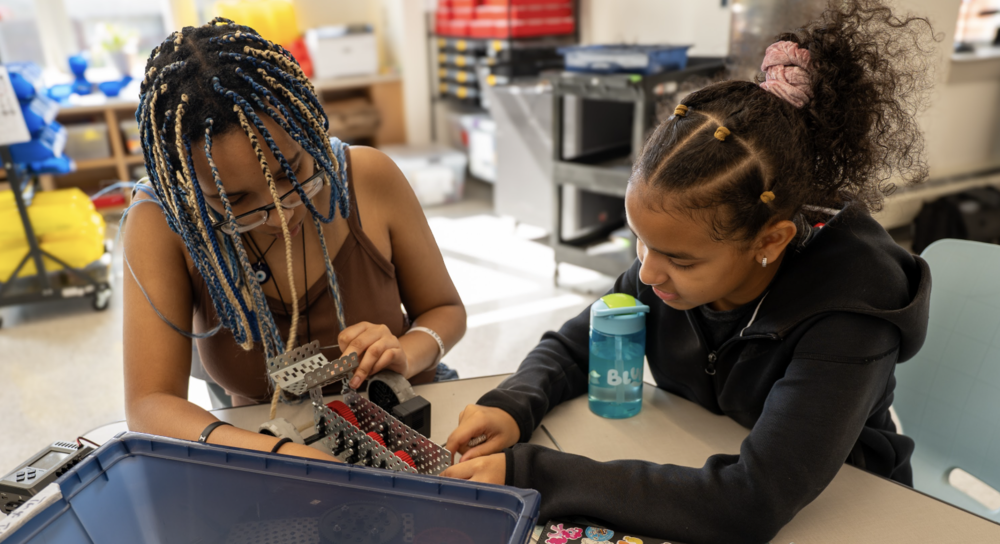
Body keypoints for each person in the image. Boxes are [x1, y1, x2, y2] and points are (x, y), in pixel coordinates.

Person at [442, 1, 937, 541]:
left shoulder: (850, 313)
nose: (647, 272)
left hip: (852, 510)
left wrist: (531, 473)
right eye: (642, 242)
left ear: (770, 241)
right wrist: (515, 404)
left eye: (679, 259)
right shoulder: (668, 263)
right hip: (707, 457)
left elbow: (750, 502)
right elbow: (575, 345)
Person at [122, 19, 465, 461]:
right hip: (266, 444)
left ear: (310, 130)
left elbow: (446, 310)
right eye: (236, 199)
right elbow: (149, 404)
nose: (282, 214)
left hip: (404, 423)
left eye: (293, 172)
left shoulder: (368, 177)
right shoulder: (161, 222)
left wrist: (406, 353)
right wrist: (279, 454)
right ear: (189, 188)